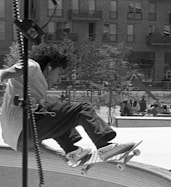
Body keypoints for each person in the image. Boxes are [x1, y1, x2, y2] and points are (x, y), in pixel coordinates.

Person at [0, 45, 128, 166]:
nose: (58, 79)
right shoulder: (32, 65)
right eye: (59, 73)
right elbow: (7, 72)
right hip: (24, 130)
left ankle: (72, 152)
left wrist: (60, 155)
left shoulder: (34, 87)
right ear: (49, 68)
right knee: (82, 109)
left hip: (15, 141)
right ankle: (104, 145)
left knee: (52, 110)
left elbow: (30, 143)